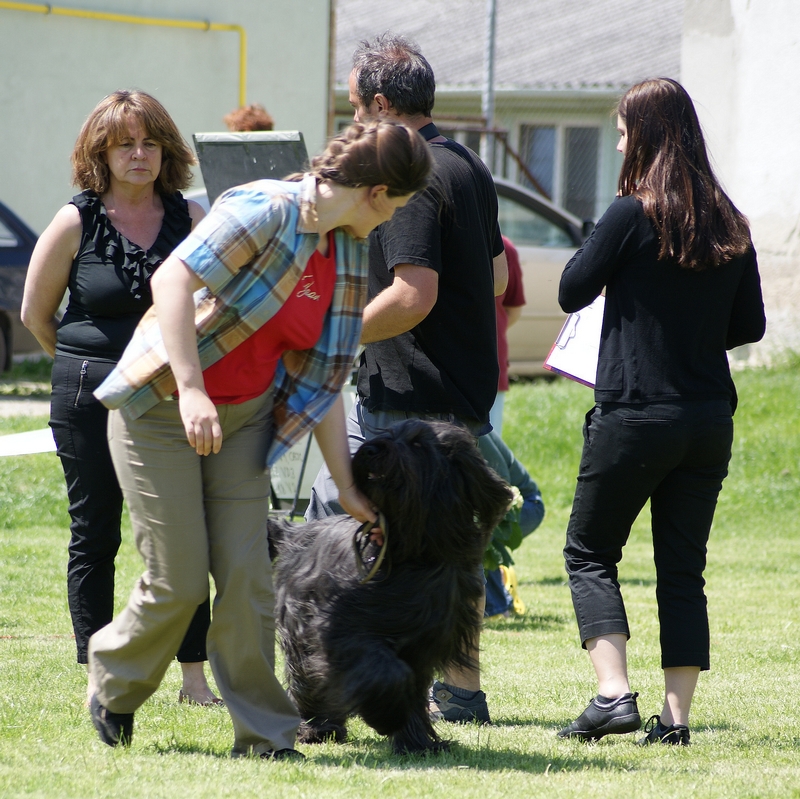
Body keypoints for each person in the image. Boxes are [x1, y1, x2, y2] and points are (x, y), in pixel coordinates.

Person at [85, 119, 432, 757]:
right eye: (398, 209)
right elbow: (172, 281)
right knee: (180, 581)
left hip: (244, 420)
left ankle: (267, 734)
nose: (390, 223)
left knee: (248, 579)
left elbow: (324, 377)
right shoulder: (265, 208)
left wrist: (350, 490)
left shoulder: (347, 252)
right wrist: (191, 389)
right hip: (161, 408)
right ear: (376, 192)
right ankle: (115, 682)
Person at [556, 78, 766, 746]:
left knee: (589, 550)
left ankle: (614, 695)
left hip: (635, 414)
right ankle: (674, 722)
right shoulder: (730, 219)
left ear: (643, 134)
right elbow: (752, 324)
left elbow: (570, 289)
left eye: (621, 131)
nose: (618, 142)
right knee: (683, 567)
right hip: (708, 418)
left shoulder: (629, 213)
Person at [307, 33, 507, 725]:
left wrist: (331, 334)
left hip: (408, 398)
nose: (353, 122)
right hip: (464, 393)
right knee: (452, 547)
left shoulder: (411, 175)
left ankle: (328, 685)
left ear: (382, 105)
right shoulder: (468, 164)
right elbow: (499, 275)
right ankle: (460, 689)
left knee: (327, 532)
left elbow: (413, 294)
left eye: (356, 109)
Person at [20, 89, 220, 707]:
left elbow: (218, 302)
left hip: (172, 400)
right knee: (95, 532)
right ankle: (98, 672)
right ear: (99, 154)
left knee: (182, 535)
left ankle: (194, 678)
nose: (139, 154)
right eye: (124, 144)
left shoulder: (191, 217)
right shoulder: (74, 220)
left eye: (150, 142)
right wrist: (94, 368)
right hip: (87, 395)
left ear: (167, 151)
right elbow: (35, 314)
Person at [478, 431, 544, 619]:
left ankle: (497, 606)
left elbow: (501, 478)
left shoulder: (469, 423)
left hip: (527, 504)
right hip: (501, 500)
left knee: (473, 531)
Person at [489, 235, 525, 436]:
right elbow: (513, 311)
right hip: (490, 358)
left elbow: (512, 308)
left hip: (489, 365)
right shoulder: (504, 246)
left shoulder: (504, 247)